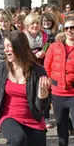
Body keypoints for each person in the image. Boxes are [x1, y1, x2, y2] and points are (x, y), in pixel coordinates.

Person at [0, 30, 50, 146]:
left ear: (20, 47)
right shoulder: (0, 68)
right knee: (18, 139)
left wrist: (43, 94)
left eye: (9, 46)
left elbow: (41, 108)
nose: (6, 50)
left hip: (33, 120)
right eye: (5, 46)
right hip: (9, 117)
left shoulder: (38, 71)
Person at [44, 16, 74, 146]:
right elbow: (47, 67)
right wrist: (49, 85)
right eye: (67, 28)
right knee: (61, 125)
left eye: (72, 28)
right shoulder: (54, 46)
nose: (69, 31)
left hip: (73, 92)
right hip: (58, 93)